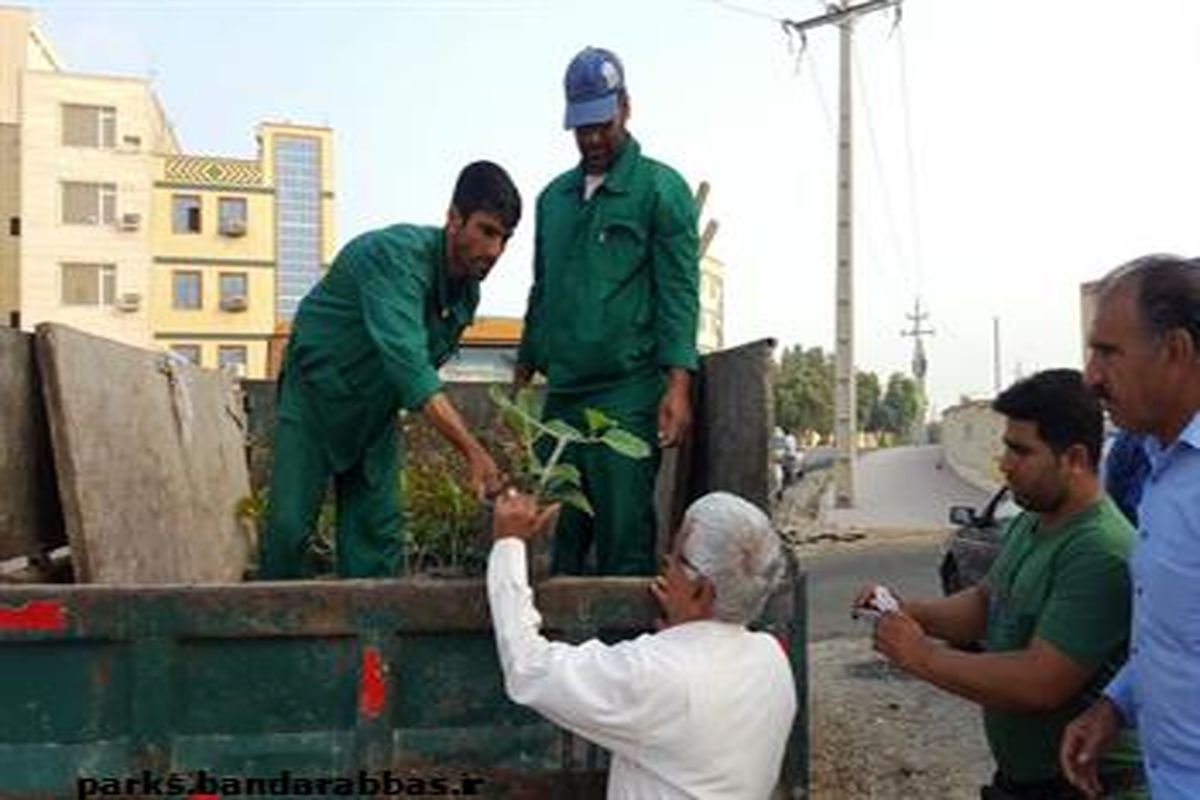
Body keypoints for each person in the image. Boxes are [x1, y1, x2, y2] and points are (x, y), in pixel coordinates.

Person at [855, 369, 1143, 799]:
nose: (1004, 463)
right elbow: (987, 604)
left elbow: (1040, 683)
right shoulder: (1032, 520)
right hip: (1027, 783)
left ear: (1075, 459)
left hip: (1087, 786)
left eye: (1020, 451)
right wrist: (907, 611)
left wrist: (921, 656)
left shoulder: (1100, 549)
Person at [260, 161, 521, 579]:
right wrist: (472, 450)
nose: (495, 251)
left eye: (505, 238)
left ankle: (370, 642)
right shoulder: (394, 257)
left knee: (376, 540)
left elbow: (420, 371)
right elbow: (412, 369)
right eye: (487, 231)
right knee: (289, 530)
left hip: (375, 412)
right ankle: (268, 635)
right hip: (316, 399)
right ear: (454, 218)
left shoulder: (465, 293)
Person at [514, 46, 700, 576]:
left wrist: (678, 386)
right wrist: (524, 369)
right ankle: (560, 657)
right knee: (557, 541)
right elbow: (542, 288)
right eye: (581, 127)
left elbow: (679, 292)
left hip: (627, 394)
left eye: (602, 123)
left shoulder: (661, 190)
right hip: (563, 395)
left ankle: (628, 653)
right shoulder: (554, 200)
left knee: (623, 534)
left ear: (625, 108)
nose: (593, 139)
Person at [487, 489, 795, 799]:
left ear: (701, 590)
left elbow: (528, 668)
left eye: (675, 558)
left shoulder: (657, 675)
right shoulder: (772, 659)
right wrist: (684, 626)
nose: (666, 563)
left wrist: (508, 544)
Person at [1062, 255, 1200, 800]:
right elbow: (1175, 636)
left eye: (1107, 352)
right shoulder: (1158, 469)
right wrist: (1116, 705)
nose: (1091, 376)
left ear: (1176, 352)